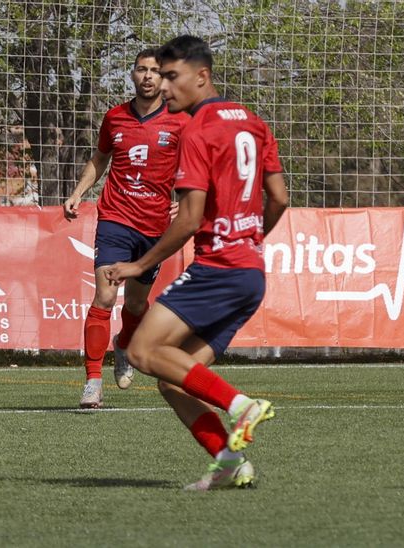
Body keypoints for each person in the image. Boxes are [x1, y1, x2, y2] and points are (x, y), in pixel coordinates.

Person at [104, 35, 288, 490]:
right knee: (175, 379)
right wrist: (250, 239)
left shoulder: (197, 128)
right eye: (160, 76)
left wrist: (136, 265)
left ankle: (240, 404)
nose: (164, 87)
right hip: (249, 273)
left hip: (218, 269)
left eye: (171, 76)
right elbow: (281, 198)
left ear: (201, 76)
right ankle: (228, 462)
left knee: (143, 351)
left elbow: (187, 219)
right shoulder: (253, 122)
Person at [63, 48, 191, 409]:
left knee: (136, 303)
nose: (148, 76)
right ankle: (92, 380)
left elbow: (194, 166)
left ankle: (123, 344)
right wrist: (77, 193)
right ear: (132, 75)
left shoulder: (180, 121)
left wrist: (184, 196)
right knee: (104, 296)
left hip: (155, 228)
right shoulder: (115, 117)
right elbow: (100, 158)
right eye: (141, 70)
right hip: (115, 218)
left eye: (155, 71)